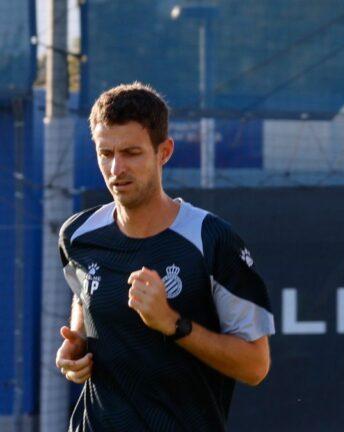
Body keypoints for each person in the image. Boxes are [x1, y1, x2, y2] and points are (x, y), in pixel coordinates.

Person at [55, 82, 274, 431]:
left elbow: (256, 366)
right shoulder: (77, 236)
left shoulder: (212, 239)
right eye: (105, 154)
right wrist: (77, 346)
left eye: (131, 153)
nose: (116, 169)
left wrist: (173, 324)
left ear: (164, 151)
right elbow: (84, 297)